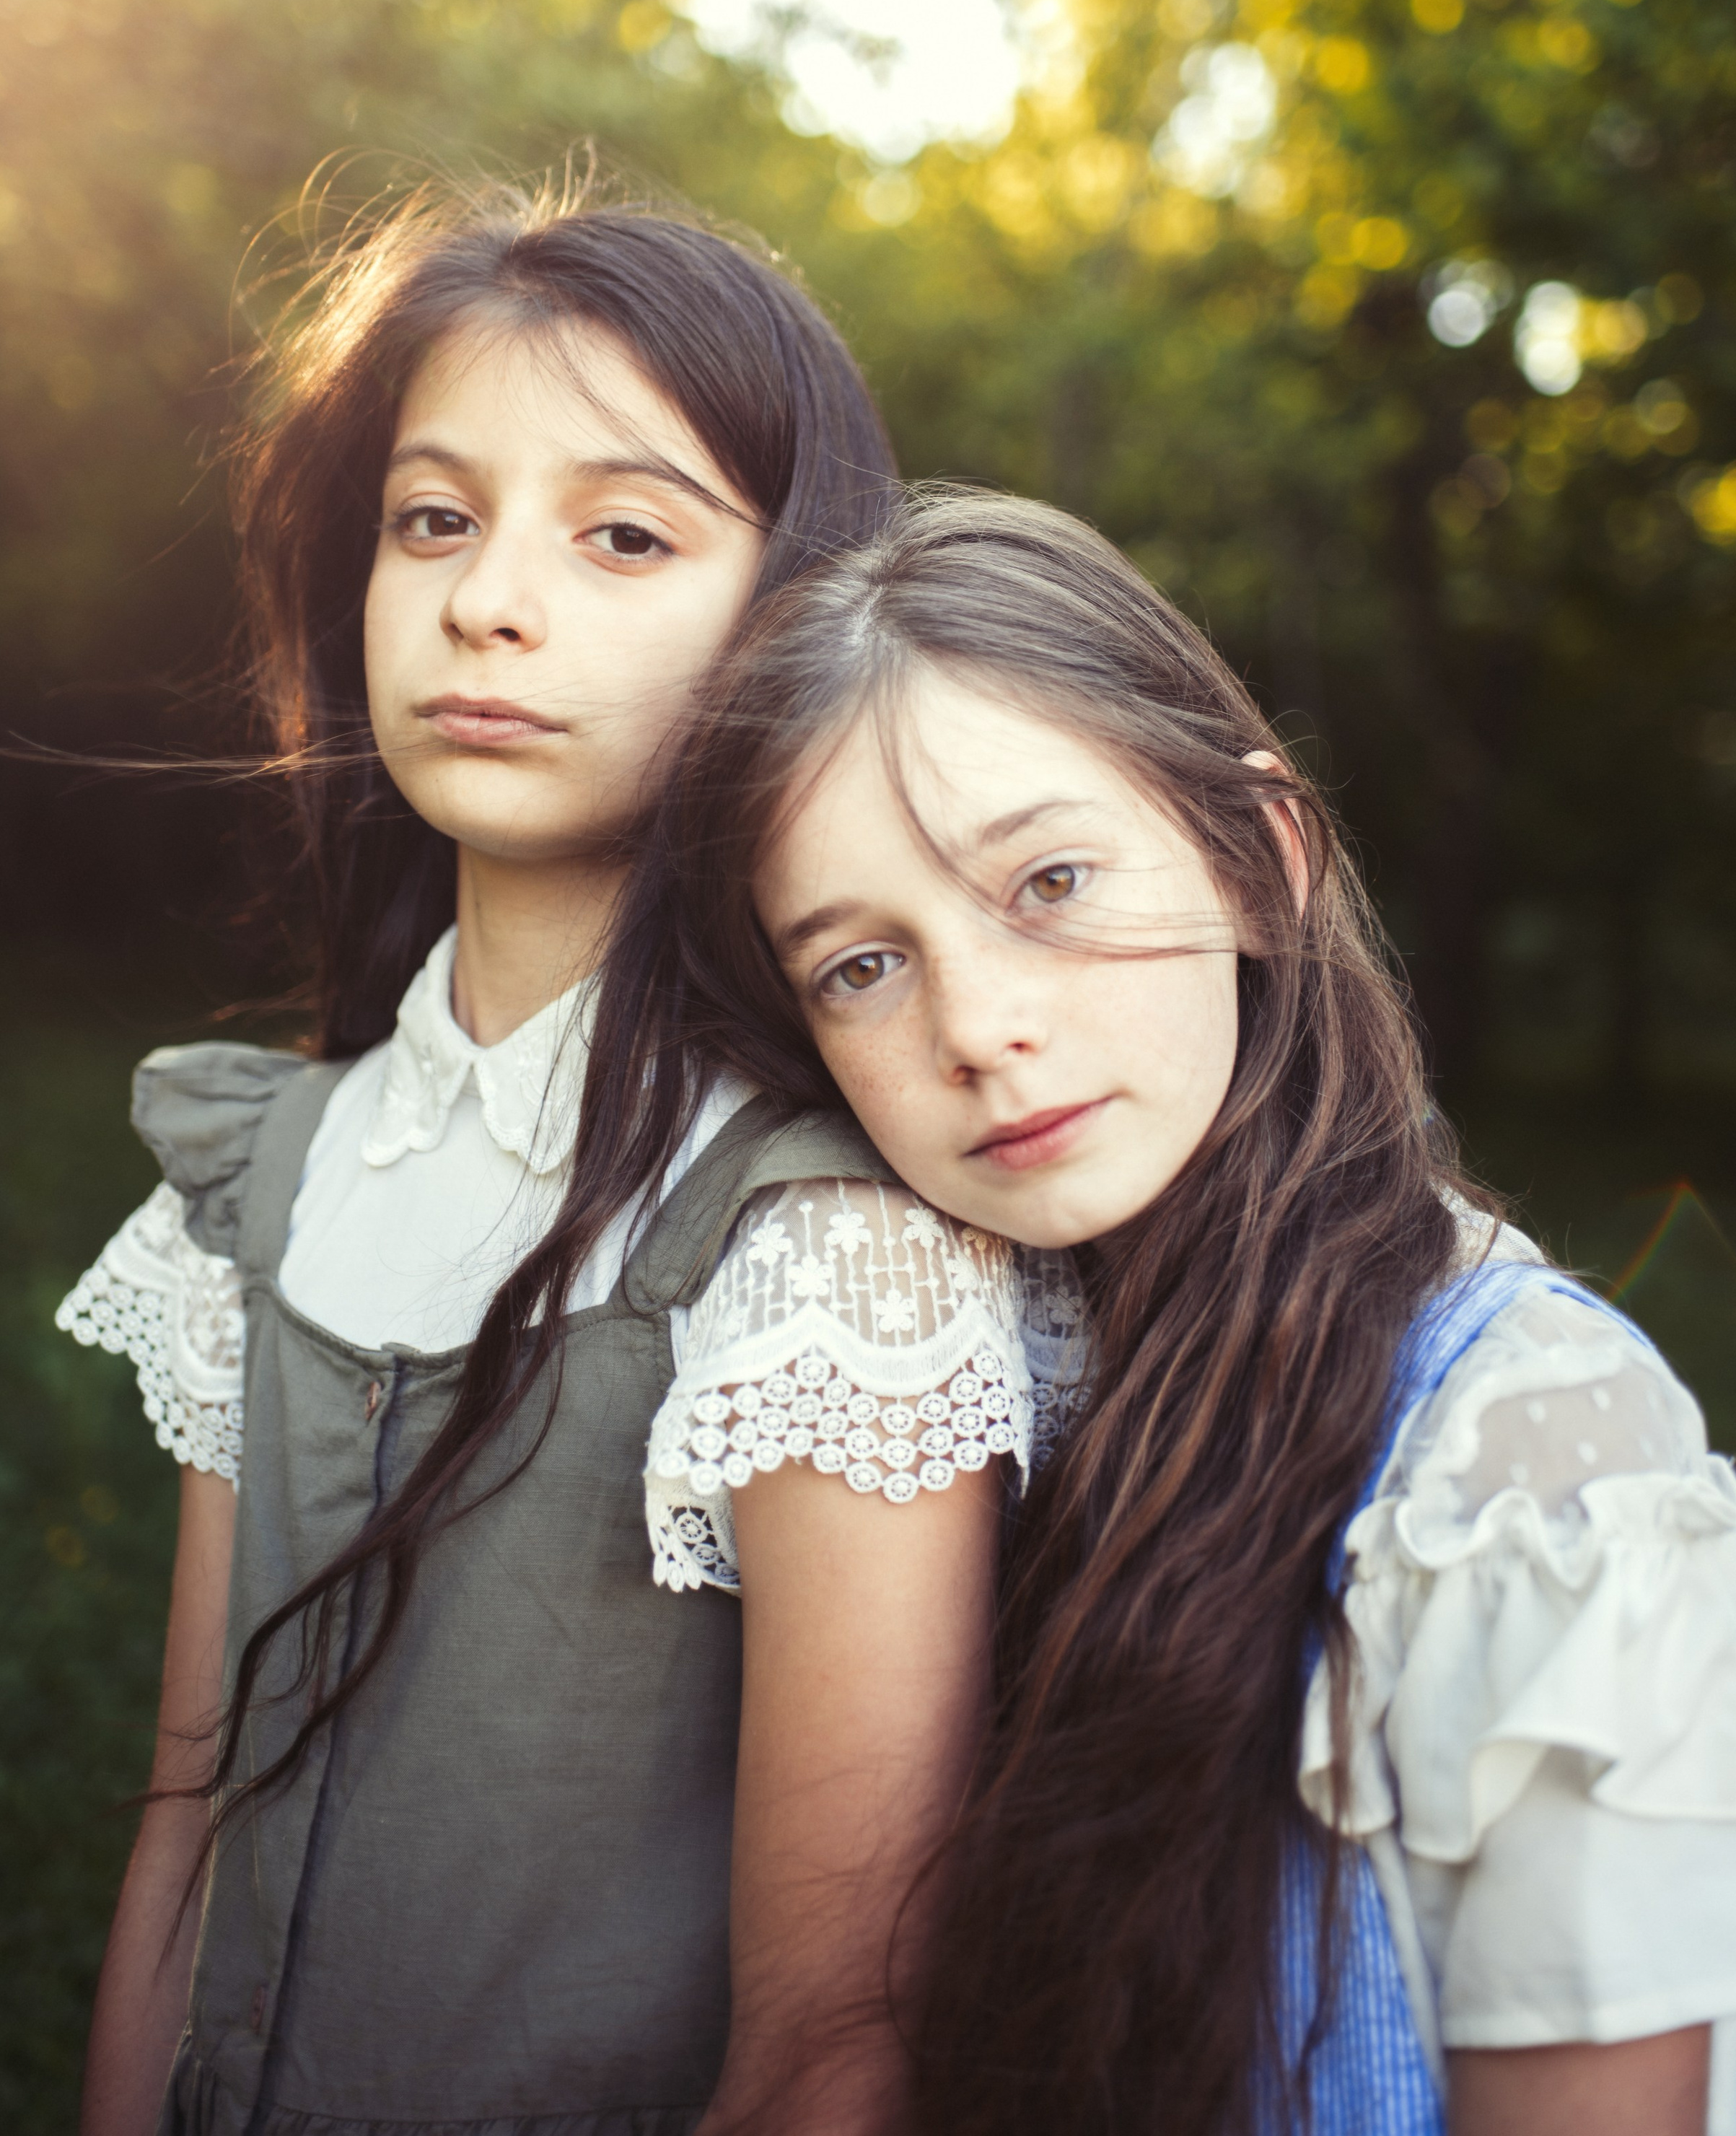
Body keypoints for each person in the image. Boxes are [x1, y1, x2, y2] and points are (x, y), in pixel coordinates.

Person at [641, 486, 1736, 2136]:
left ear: (1263, 862)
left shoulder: (1526, 1478)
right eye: (863, 964)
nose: (979, 1025)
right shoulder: (939, 1388)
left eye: (1049, 879)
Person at [55, 180, 1019, 2136]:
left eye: (623, 534)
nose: (490, 596)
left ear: (793, 610)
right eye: (435, 517)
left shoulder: (821, 1241)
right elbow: (188, 1816)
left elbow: (835, 2038)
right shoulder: (274, 1166)